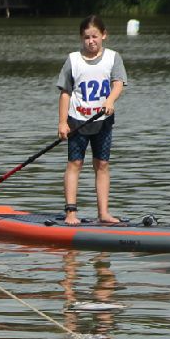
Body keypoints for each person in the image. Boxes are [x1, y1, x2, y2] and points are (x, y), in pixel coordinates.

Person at [56, 16, 126, 226]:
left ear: (104, 35)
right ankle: (70, 212)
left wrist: (110, 100)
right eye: (86, 37)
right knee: (75, 163)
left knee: (102, 164)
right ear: (81, 38)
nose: (91, 41)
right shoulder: (73, 60)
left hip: (103, 120)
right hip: (78, 120)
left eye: (95, 36)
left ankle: (103, 213)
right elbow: (65, 93)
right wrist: (62, 122)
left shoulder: (113, 58)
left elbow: (118, 83)